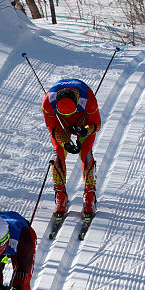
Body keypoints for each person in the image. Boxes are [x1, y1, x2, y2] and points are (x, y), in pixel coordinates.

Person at [42, 78, 101, 217]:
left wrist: (85, 131)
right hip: (60, 121)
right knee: (58, 152)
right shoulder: (48, 103)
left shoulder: (88, 99)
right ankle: (60, 195)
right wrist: (66, 143)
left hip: (83, 117)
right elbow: (52, 129)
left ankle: (90, 195)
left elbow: (96, 125)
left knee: (86, 152)